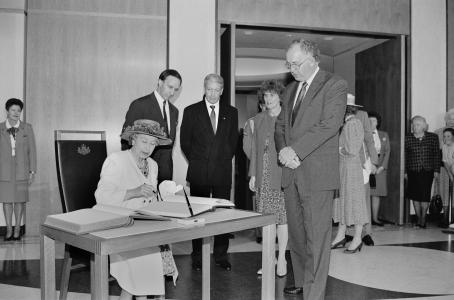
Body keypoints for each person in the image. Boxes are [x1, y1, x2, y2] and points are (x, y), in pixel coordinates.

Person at [274, 39, 347, 299]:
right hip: (291, 172)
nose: (291, 68)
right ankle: (304, 283)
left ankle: (314, 294)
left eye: (295, 63)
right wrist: (284, 150)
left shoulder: (334, 84)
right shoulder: (290, 89)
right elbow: (281, 127)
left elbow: (330, 124)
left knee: (317, 238)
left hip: (316, 174)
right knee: (297, 237)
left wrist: (296, 150)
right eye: (289, 63)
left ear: (313, 60)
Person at [95, 119, 178, 300]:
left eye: (153, 143)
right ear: (133, 140)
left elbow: (150, 199)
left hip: (145, 227)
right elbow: (101, 197)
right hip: (121, 230)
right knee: (146, 268)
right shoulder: (116, 161)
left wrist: (166, 196)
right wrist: (134, 192)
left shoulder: (153, 165)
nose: (148, 148)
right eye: (144, 141)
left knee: (141, 278)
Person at [180, 73, 238, 271]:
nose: (212, 94)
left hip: (221, 170)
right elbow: (185, 142)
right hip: (199, 171)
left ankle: (221, 255)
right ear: (204, 89)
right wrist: (199, 160)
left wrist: (220, 158)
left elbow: (232, 142)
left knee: (222, 215)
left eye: (216, 90)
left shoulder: (232, 112)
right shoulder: (191, 111)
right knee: (198, 215)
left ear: (221, 91)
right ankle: (197, 256)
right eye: (209, 89)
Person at [248, 80, 288, 276]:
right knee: (267, 220)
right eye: (266, 95)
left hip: (281, 172)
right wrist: (253, 174)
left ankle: (281, 260)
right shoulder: (259, 118)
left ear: (279, 96)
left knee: (282, 219)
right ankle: (269, 258)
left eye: (272, 95)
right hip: (263, 172)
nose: (269, 99)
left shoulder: (288, 117)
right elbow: (255, 148)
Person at [121, 69, 182, 183]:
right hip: (141, 170)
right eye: (170, 87)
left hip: (166, 172)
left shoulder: (175, 111)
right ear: (160, 82)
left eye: (176, 89)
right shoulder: (140, 104)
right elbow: (126, 139)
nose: (172, 93)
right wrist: (131, 167)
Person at [331, 101, 369, 254]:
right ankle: (341, 235)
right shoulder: (349, 124)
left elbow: (352, 149)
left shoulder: (353, 124)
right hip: (345, 168)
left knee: (354, 201)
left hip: (351, 168)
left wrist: (338, 149)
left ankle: (358, 238)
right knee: (343, 200)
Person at [0, 98, 36, 241]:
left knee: (20, 201)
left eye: (19, 110)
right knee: (7, 201)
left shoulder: (27, 128)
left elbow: (32, 151)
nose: (16, 113)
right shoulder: (0, 128)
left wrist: (32, 171)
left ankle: (17, 229)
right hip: (4, 169)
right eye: (13, 110)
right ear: (7, 111)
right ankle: (8, 228)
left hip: (22, 169)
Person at [405, 116, 440, 228]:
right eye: (413, 125)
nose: (415, 127)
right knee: (415, 195)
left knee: (425, 196)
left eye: (418, 124)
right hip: (413, 170)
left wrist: (437, 170)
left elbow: (437, 155)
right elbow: (404, 156)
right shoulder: (407, 138)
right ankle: (418, 218)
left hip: (427, 170)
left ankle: (423, 219)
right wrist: (405, 171)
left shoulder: (433, 137)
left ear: (424, 126)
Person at [243, 92, 266, 243]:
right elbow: (247, 148)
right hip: (258, 168)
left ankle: (275, 232)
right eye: (264, 103)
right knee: (260, 201)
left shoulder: (281, 120)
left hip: (278, 168)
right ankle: (261, 233)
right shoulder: (251, 123)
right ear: (260, 105)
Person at [368, 111, 390, 226]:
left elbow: (387, 152)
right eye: (370, 120)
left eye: (374, 120)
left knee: (376, 194)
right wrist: (369, 166)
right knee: (365, 194)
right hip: (367, 167)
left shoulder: (383, 134)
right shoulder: (362, 133)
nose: (372, 122)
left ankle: (375, 219)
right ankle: (365, 220)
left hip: (380, 168)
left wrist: (382, 167)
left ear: (378, 123)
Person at [435, 109, 454, 226]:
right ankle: (446, 217)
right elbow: (435, 152)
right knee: (444, 192)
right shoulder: (438, 133)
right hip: (443, 167)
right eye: (450, 119)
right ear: (446, 120)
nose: (452, 121)